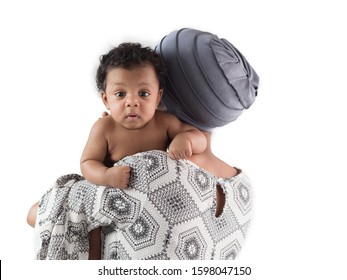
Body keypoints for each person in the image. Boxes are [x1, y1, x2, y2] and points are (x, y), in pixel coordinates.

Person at [31, 28, 259, 260]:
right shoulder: (244, 191)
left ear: (163, 94)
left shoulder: (153, 167)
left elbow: (46, 215)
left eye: (144, 92)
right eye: (121, 93)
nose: (133, 102)